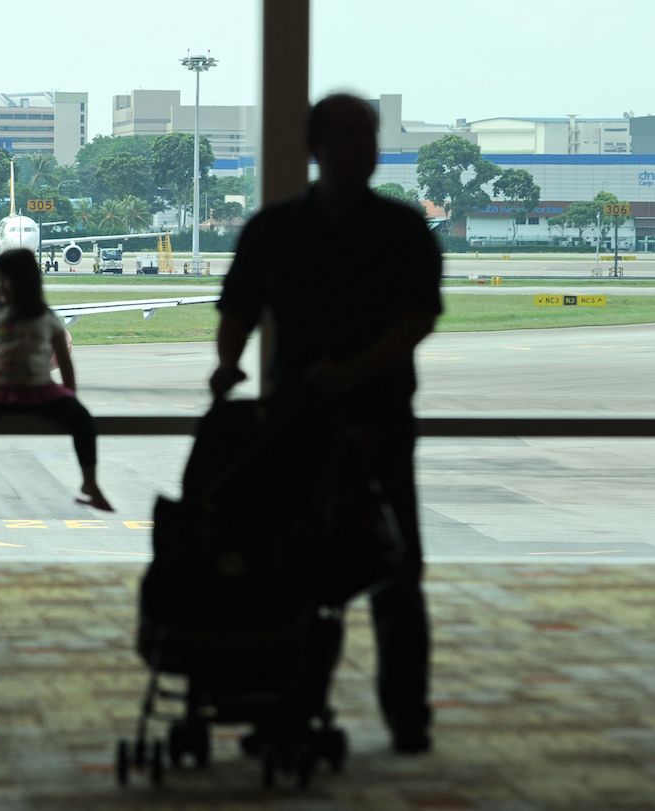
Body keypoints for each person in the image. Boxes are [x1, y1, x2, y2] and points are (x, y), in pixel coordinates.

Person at [210, 93, 443, 754]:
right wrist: (227, 365)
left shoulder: (403, 229)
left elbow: (418, 318)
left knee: (396, 568)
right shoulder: (273, 230)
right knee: (287, 566)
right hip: (295, 422)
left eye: (369, 137)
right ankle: (285, 704)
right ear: (316, 147)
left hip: (379, 420)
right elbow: (237, 310)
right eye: (351, 137)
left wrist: (355, 371)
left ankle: (407, 714)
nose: (365, 149)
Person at [0, 248, 112, 513]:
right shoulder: (41, 317)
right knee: (82, 421)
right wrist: (70, 396)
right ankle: (90, 481)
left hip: (5, 393)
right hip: (34, 392)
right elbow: (65, 364)